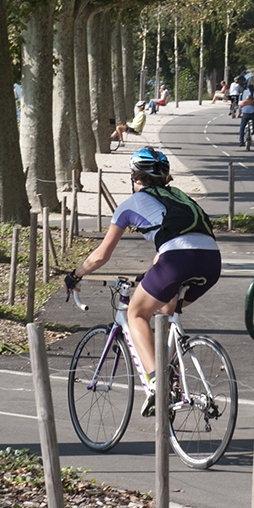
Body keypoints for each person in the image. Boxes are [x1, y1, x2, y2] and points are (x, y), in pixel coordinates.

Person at [64, 146, 221, 414]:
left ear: (135, 177)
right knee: (166, 313)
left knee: (137, 314)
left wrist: (76, 274)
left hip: (176, 260)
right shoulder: (180, 196)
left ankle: (157, 384)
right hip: (211, 260)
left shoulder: (128, 205)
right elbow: (179, 237)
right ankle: (170, 374)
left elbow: (101, 255)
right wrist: (154, 271)